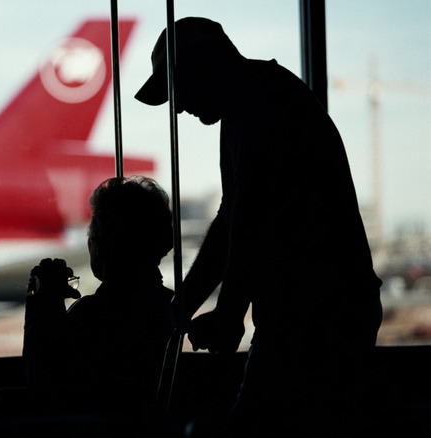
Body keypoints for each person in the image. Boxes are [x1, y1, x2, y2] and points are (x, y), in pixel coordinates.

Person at [135, 17, 383, 437]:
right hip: (324, 311)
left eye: (177, 91)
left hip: (316, 316)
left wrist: (228, 313)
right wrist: (184, 306)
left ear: (202, 67)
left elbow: (253, 221)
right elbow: (235, 217)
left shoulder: (258, 106)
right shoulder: (255, 99)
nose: (177, 107)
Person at [22, 176, 177, 414]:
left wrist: (45, 305)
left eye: (91, 237)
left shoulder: (95, 316)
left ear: (100, 246)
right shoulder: (167, 306)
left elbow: (44, 387)